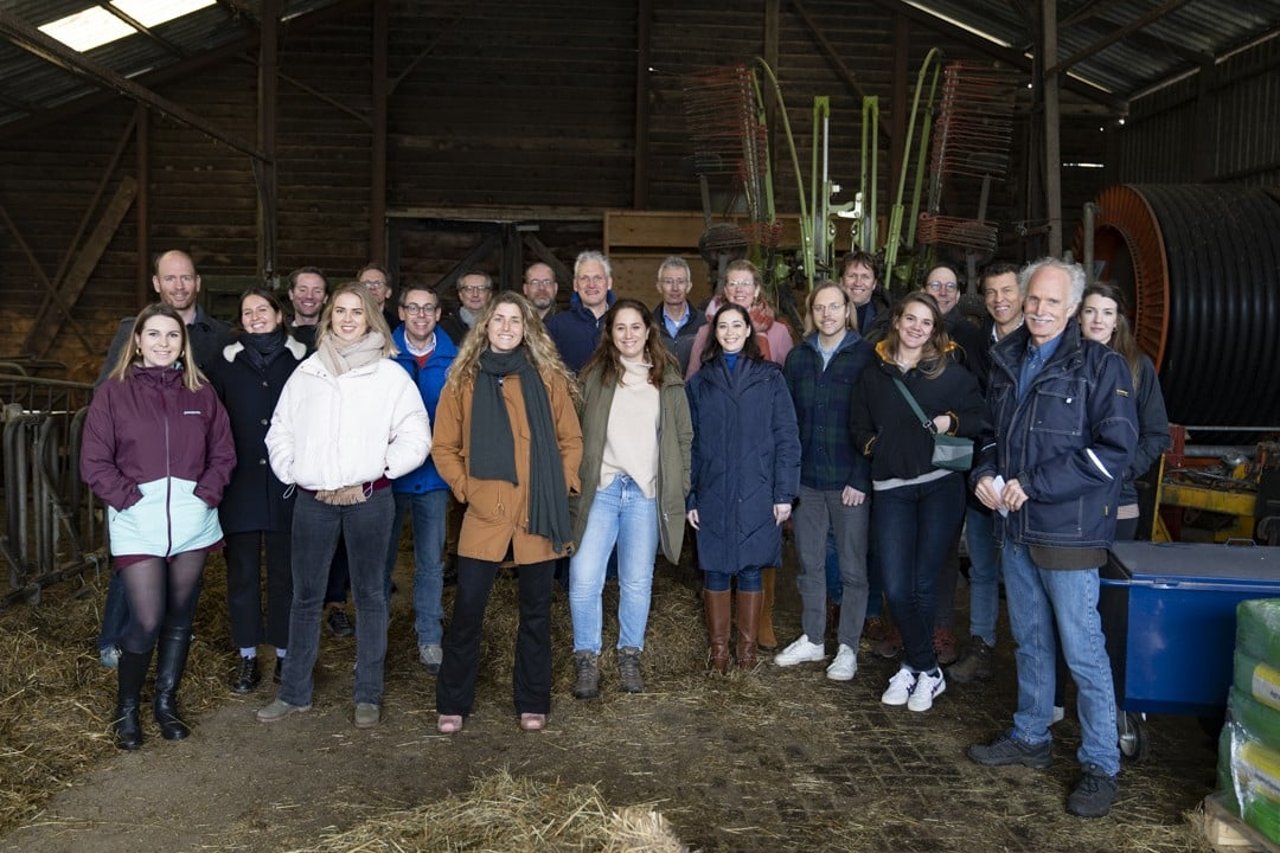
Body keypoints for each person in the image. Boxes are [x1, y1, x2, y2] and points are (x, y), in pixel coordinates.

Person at [967, 258, 1138, 819]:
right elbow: (991, 433)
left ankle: (1099, 764)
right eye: (1033, 299)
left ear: (1072, 309)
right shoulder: (1007, 357)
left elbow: (1112, 454)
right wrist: (986, 477)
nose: (1039, 310)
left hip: (1067, 535)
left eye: (1051, 303)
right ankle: (1031, 737)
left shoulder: (1101, 366)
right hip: (1015, 528)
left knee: (1083, 651)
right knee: (1032, 642)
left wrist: (1031, 486)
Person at [256, 284, 430, 730]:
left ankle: (367, 693)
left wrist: (383, 469)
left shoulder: (390, 376)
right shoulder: (308, 372)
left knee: (371, 596)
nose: (348, 319)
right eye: (341, 312)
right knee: (305, 597)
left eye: (358, 312)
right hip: (315, 501)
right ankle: (294, 692)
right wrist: (292, 469)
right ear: (330, 317)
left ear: (371, 318)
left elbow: (416, 433)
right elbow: (280, 429)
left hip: (369, 499)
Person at [80, 304, 236, 749]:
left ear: (183, 344)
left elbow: (223, 452)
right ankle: (126, 708)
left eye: (173, 336)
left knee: (180, 617)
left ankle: (165, 703)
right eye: (155, 335)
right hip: (137, 522)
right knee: (146, 619)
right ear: (138, 340)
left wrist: (206, 494)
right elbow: (94, 460)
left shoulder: (201, 392)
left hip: (192, 521)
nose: (164, 343)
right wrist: (128, 499)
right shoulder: (114, 392)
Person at [432, 293, 582, 734]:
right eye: (498, 318)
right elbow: (444, 446)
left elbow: (571, 440)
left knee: (536, 613)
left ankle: (532, 699)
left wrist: (561, 482)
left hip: (539, 511)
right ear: (485, 326)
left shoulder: (548, 379)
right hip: (486, 511)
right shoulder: (463, 380)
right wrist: (467, 489)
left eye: (515, 320)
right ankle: (453, 701)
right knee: (467, 611)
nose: (506, 326)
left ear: (526, 329)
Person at [95, 249, 234, 670]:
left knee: (182, 581)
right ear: (157, 283)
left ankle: (175, 642)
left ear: (197, 283)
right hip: (140, 483)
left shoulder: (220, 335)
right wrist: (126, 492)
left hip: (193, 476)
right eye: (170, 278)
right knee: (137, 570)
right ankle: (116, 638)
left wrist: (207, 488)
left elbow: (222, 414)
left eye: (186, 278)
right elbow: (107, 407)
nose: (179, 285)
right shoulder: (130, 334)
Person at [850, 291, 984, 713]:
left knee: (925, 583)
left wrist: (951, 420)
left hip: (940, 487)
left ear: (934, 330)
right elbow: (857, 423)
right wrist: (880, 448)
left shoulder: (949, 371)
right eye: (911, 319)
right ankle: (927, 668)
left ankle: (913, 667)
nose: (916, 328)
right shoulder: (874, 370)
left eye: (926, 323)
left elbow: (981, 416)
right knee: (895, 584)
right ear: (897, 321)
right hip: (892, 489)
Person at [569, 300, 692, 698]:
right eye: (619, 328)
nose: (628, 335)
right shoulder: (595, 376)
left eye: (635, 327)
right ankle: (586, 656)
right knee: (585, 579)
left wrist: (681, 486)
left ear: (647, 330)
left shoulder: (667, 379)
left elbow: (683, 438)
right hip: (603, 489)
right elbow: (573, 433)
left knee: (637, 581)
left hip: (644, 493)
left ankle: (629, 654)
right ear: (610, 333)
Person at [685, 259, 795, 651]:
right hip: (713, 486)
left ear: (748, 330)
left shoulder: (770, 378)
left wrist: (784, 494)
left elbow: (786, 438)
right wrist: (691, 495)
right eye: (723, 326)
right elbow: (690, 443)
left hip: (758, 487)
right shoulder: (700, 383)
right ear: (714, 333)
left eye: (737, 325)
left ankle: (745, 651)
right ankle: (718, 651)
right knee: (715, 566)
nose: (730, 332)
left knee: (751, 567)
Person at [206, 289, 307, 694]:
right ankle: (247, 656)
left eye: (262, 310)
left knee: (286, 573)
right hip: (241, 483)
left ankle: (285, 654)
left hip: (289, 483)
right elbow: (213, 424)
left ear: (279, 315)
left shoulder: (304, 361)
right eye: (247, 312)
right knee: (243, 574)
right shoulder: (224, 364)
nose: (255, 318)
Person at [776, 283, 874, 681]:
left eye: (835, 306)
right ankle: (814, 638)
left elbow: (875, 424)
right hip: (809, 481)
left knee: (852, 569)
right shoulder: (798, 358)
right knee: (810, 563)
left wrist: (861, 476)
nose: (828, 314)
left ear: (847, 309)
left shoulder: (867, 356)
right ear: (811, 313)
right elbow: (787, 422)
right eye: (820, 308)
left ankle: (848, 646)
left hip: (848, 480)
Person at [949, 262, 1024, 685]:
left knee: (1025, 570)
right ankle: (980, 645)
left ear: (1022, 294)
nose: (999, 300)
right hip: (981, 471)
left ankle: (1029, 654)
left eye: (1007, 291)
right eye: (992, 292)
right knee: (981, 565)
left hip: (1026, 482)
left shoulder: (1041, 343)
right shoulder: (973, 342)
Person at [383, 283, 459, 675]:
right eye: (413, 308)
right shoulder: (382, 354)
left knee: (431, 562)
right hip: (387, 477)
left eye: (428, 308)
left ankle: (429, 634)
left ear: (438, 314)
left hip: (433, 477)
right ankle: (375, 635)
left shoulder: (455, 359)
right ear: (400, 312)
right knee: (381, 559)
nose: (421, 315)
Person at [919, 262, 986, 665]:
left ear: (958, 294)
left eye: (949, 286)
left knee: (942, 547)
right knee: (908, 543)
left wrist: (953, 421)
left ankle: (941, 628)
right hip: (909, 457)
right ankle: (907, 623)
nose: (942, 291)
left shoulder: (968, 338)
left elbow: (978, 399)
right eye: (935, 285)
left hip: (949, 457)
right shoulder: (908, 333)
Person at [1078, 282, 1171, 541]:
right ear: (1077, 316)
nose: (1098, 320)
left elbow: (1157, 434)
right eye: (1090, 311)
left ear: (1118, 321)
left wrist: (1123, 471)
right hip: (1067, 499)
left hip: (1118, 499)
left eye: (1107, 313)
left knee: (1112, 578)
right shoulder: (1061, 363)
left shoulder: (1138, 366)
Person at [686, 259, 794, 378]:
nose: (739, 289)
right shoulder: (705, 332)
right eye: (733, 284)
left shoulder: (779, 332)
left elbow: (788, 381)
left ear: (756, 290)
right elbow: (692, 381)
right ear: (726, 291)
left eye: (746, 283)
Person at [546, 251, 616, 373]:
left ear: (609, 283)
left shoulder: (624, 323)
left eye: (598, 278)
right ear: (575, 285)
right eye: (584, 278)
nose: (591, 285)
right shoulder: (556, 326)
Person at [653, 255, 705, 375]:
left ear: (689, 286)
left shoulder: (704, 323)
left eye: (680, 281)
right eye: (668, 282)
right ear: (659, 287)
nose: (675, 288)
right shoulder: (649, 324)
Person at [839, 250, 890, 340]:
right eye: (852, 276)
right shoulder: (825, 313)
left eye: (865, 277)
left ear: (874, 284)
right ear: (841, 281)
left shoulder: (887, 319)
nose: (858, 283)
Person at [440, 269, 494, 345]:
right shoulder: (445, 328)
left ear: (489, 295)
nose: (475, 294)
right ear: (460, 295)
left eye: (481, 289)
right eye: (469, 289)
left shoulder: (500, 325)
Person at [286, 266, 328, 350]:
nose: (309, 296)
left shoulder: (334, 335)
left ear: (325, 298)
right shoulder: (279, 332)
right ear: (291, 294)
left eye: (317, 291)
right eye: (302, 290)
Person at [358, 262, 400, 334]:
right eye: (366, 284)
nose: (372, 288)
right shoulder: (348, 321)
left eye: (378, 284)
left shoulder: (397, 326)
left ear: (388, 292)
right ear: (357, 290)